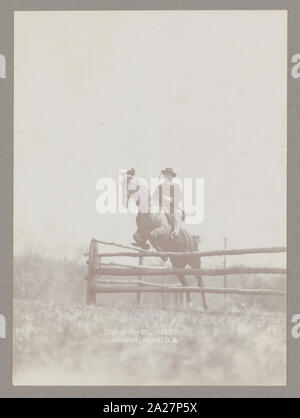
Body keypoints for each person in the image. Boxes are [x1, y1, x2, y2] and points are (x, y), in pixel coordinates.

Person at [152, 167, 183, 239]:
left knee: (176, 217)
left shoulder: (176, 186)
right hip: (160, 207)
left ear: (172, 176)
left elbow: (178, 198)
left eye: (169, 175)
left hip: (173, 208)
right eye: (165, 174)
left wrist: (170, 199)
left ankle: (175, 232)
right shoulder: (159, 186)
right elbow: (154, 197)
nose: (166, 176)